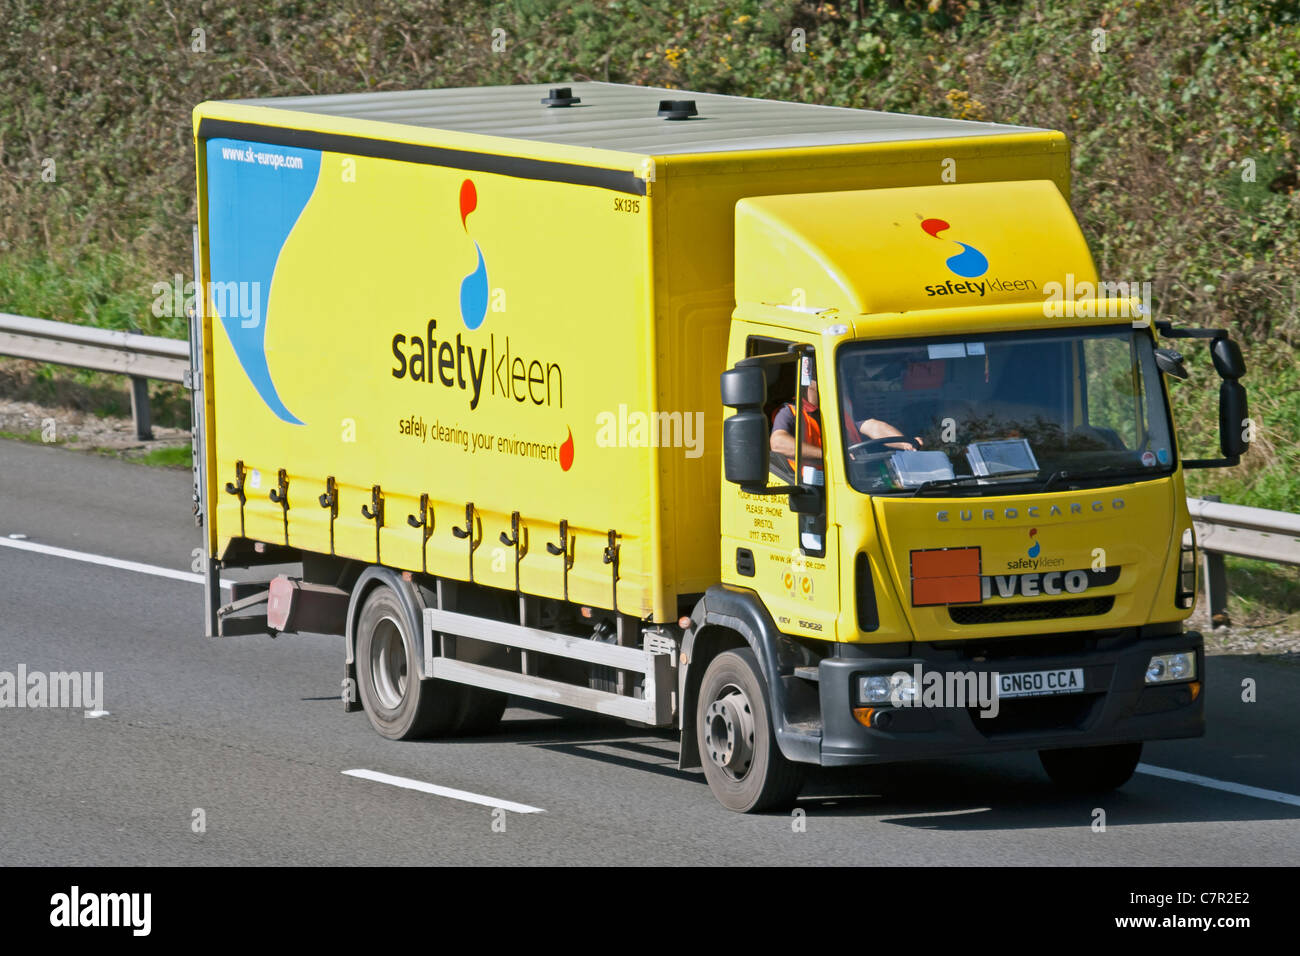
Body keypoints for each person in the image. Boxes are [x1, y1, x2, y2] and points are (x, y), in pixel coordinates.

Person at [769, 357, 917, 471]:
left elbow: (874, 427)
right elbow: (778, 443)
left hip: (853, 480)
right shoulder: (790, 412)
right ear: (807, 384)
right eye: (822, 382)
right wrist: (832, 456)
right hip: (812, 491)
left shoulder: (843, 406)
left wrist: (905, 443)